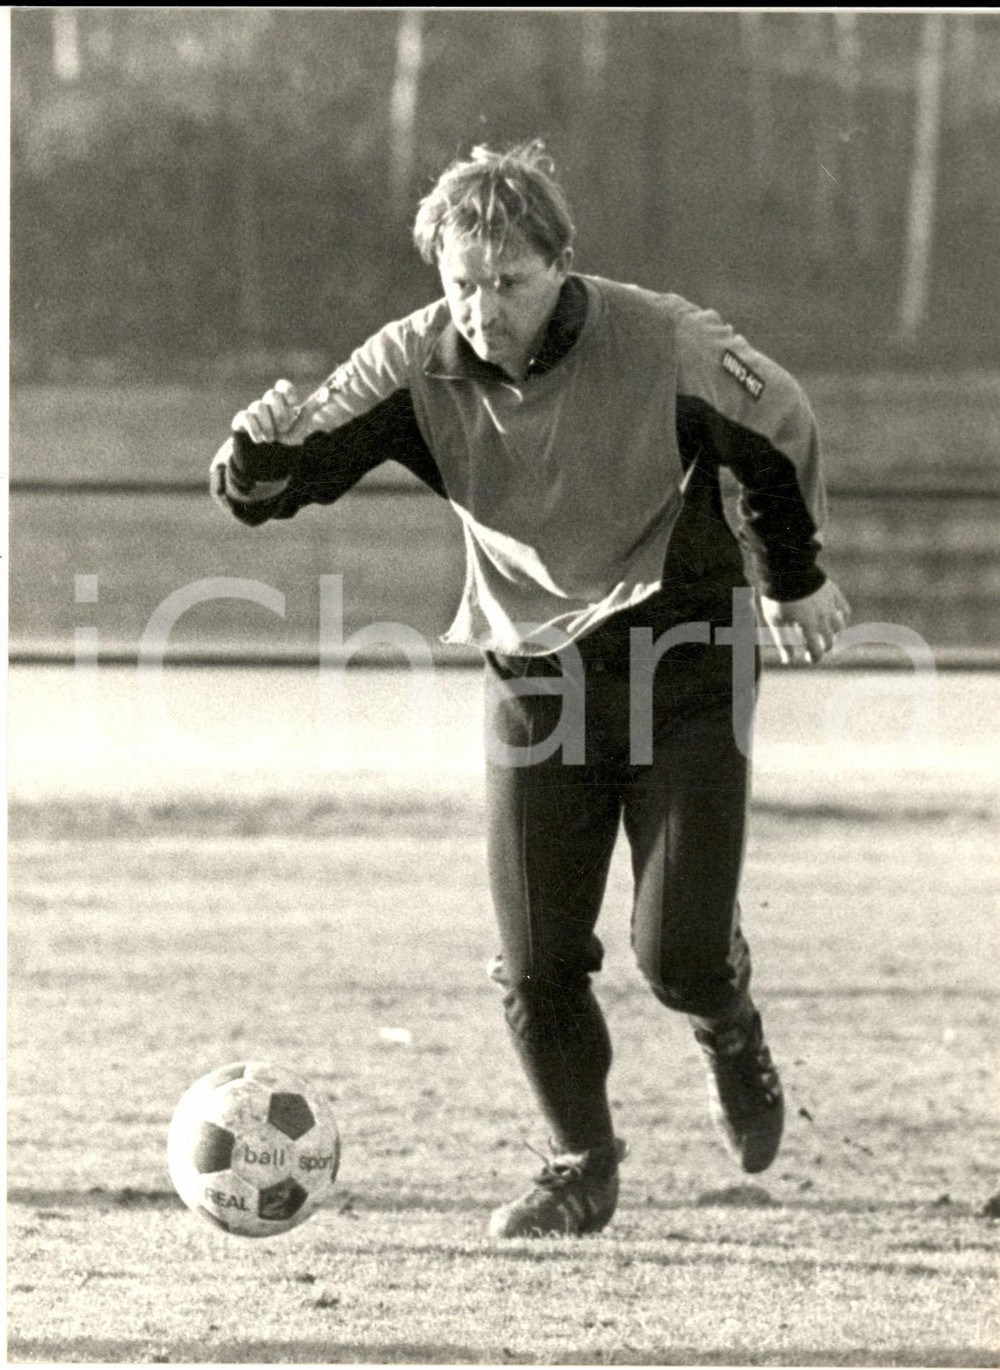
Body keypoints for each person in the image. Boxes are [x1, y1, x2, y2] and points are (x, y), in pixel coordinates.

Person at [210, 141, 850, 1239]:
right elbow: (293, 468)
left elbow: (777, 425)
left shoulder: (662, 341)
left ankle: (728, 1024)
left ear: (562, 264)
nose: (480, 307)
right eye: (460, 281)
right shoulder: (418, 359)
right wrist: (250, 454)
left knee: (678, 956)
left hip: (682, 661)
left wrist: (791, 577)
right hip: (536, 677)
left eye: (506, 281)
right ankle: (577, 1166)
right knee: (535, 960)